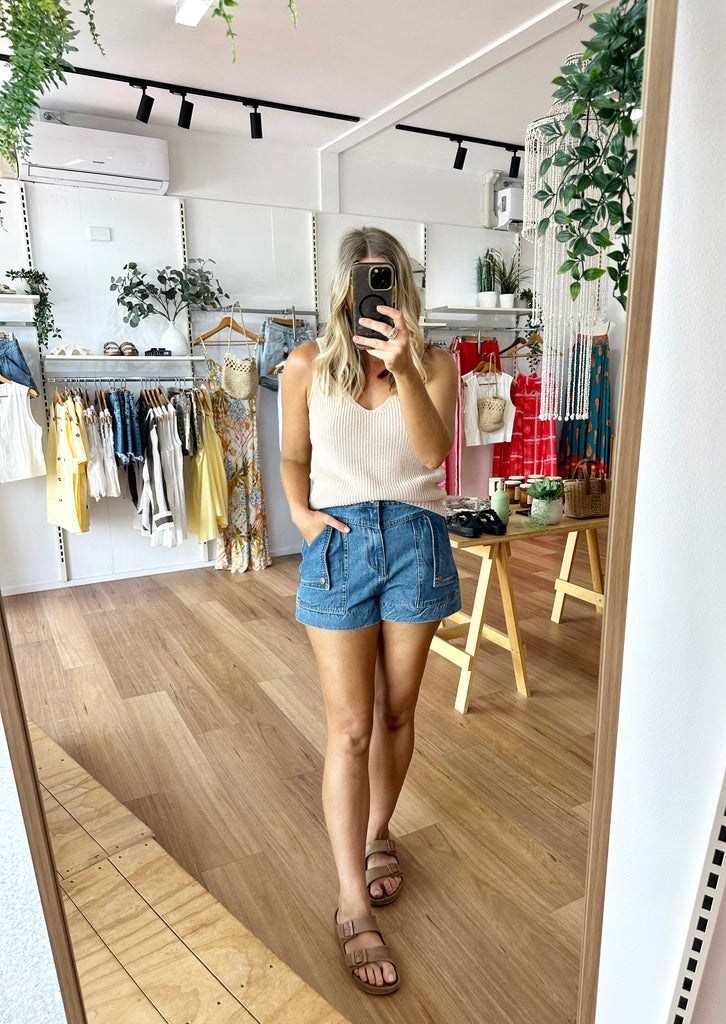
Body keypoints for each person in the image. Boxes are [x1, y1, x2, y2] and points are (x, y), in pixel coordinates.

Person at [280, 227, 462, 995]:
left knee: (396, 713)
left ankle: (378, 831)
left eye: (385, 278)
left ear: (402, 285)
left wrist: (404, 366)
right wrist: (301, 515)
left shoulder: (437, 364)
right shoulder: (305, 365)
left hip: (417, 541)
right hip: (340, 546)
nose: (372, 292)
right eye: (362, 280)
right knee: (350, 727)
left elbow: (431, 454)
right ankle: (351, 899)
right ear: (342, 289)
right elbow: (293, 456)